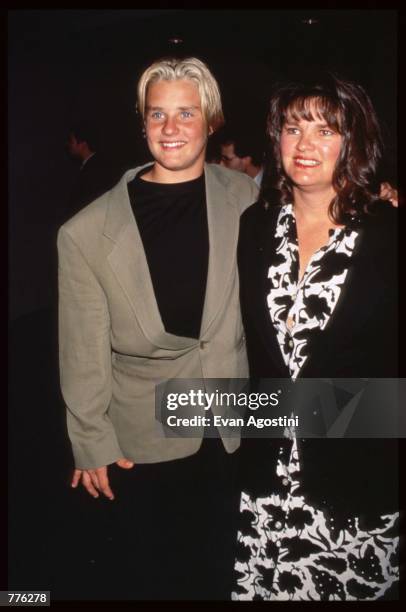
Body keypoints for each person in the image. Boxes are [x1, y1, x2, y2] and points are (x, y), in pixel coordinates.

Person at [58, 57, 258, 599]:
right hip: (143, 435)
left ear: (210, 120)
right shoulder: (86, 232)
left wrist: (379, 204)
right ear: (143, 123)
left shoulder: (248, 198)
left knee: (224, 571)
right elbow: (82, 352)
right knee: (158, 578)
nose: (171, 129)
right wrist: (90, 440)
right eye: (157, 115)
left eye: (186, 113)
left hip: (235, 425)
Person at [233, 73, 398, 600]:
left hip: (356, 492)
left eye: (325, 131)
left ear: (353, 143)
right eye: (292, 128)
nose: (305, 145)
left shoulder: (388, 235)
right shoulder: (254, 227)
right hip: (264, 491)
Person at [66, 120, 122, 215]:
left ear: (82, 144)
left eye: (72, 141)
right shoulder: (92, 165)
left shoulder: (96, 169)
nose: (68, 145)